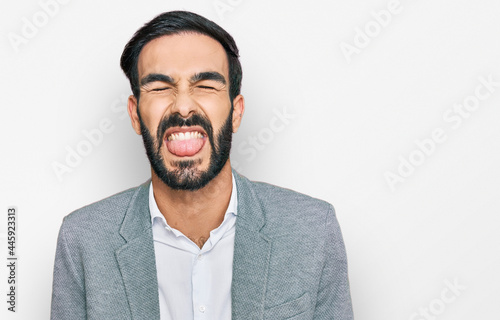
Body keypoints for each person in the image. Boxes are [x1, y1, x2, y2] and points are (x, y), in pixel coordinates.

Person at [51, 10, 354, 320]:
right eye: (159, 88)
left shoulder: (313, 229)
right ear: (135, 114)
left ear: (236, 112)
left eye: (206, 86)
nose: (183, 106)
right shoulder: (82, 240)